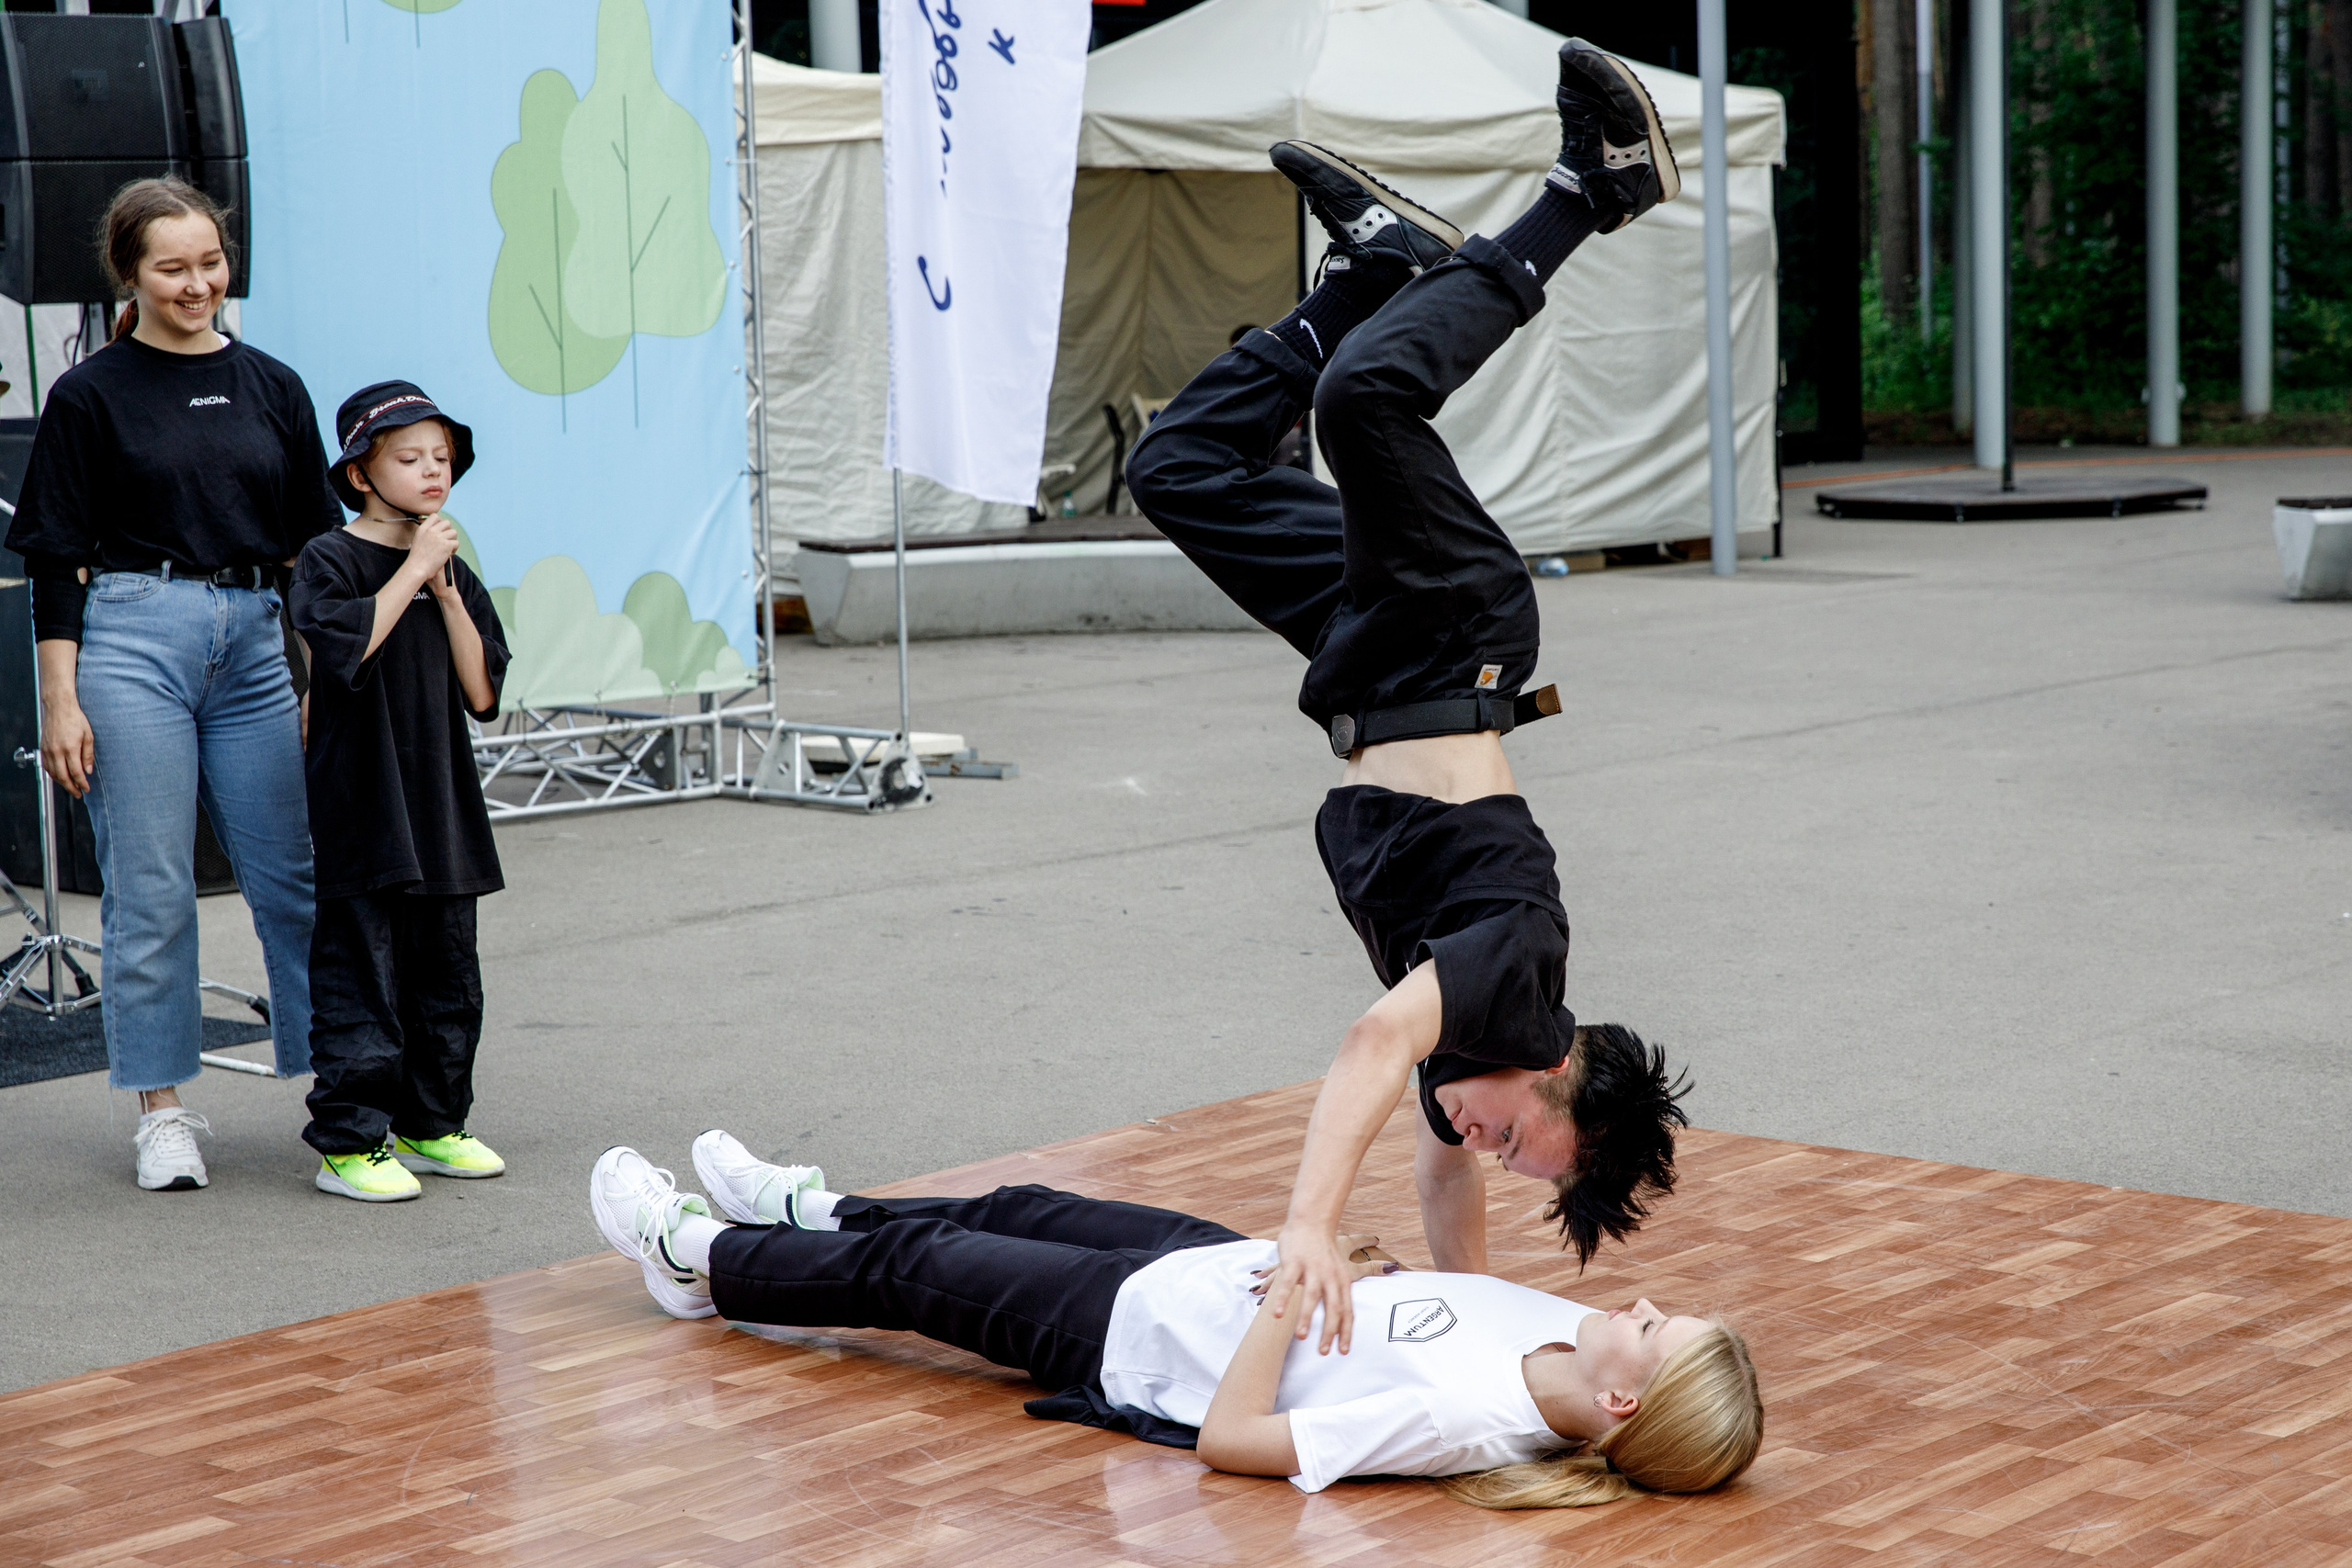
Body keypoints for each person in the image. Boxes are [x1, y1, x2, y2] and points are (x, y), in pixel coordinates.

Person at [1124, 42, 1693, 1350]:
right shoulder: (1516, 975)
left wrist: (1492, 1327)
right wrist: (1311, 1220)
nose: (1494, 1151)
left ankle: (1376, 268)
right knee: (1369, 401)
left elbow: (1442, 1175)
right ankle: (1593, 189)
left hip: (1371, 654)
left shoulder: (1473, 1066)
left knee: (1182, 468)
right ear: (1565, 1077)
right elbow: (1375, 1040)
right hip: (1450, 637)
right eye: (1530, 1149)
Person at [587, 1132, 1763, 1506]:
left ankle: (696, 1261)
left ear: (1623, 1400)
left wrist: (1289, 1305)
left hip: (1146, 1344)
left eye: (1659, 1333)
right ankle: (807, 1210)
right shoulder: (1559, 1327)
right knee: (1018, 1204)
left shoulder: (1463, 1429)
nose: (1647, 1305)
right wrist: (1353, 1263)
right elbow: (1415, 1312)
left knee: (922, 1269)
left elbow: (1237, 1443)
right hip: (1217, 1267)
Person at [6, 176, 334, 1191]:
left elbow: (315, 550)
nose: (198, 284)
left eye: (210, 262)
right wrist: (60, 699)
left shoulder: (273, 384)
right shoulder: (89, 393)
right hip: (130, 641)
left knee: (295, 877)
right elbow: (56, 563)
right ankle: (160, 1110)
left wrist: (324, 676)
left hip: (256, 642)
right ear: (131, 275)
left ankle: (348, 1089)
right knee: (149, 889)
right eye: (173, 267)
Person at [288, 383, 508, 1201]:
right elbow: (342, 654)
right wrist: (413, 566)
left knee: (448, 970)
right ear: (359, 473)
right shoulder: (330, 559)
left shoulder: (451, 567)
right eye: (409, 458)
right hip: (362, 801)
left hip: (440, 799)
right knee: (363, 968)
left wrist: (445, 591)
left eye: (442, 458)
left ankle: (432, 1122)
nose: (431, 473)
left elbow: (482, 690)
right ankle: (349, 1140)